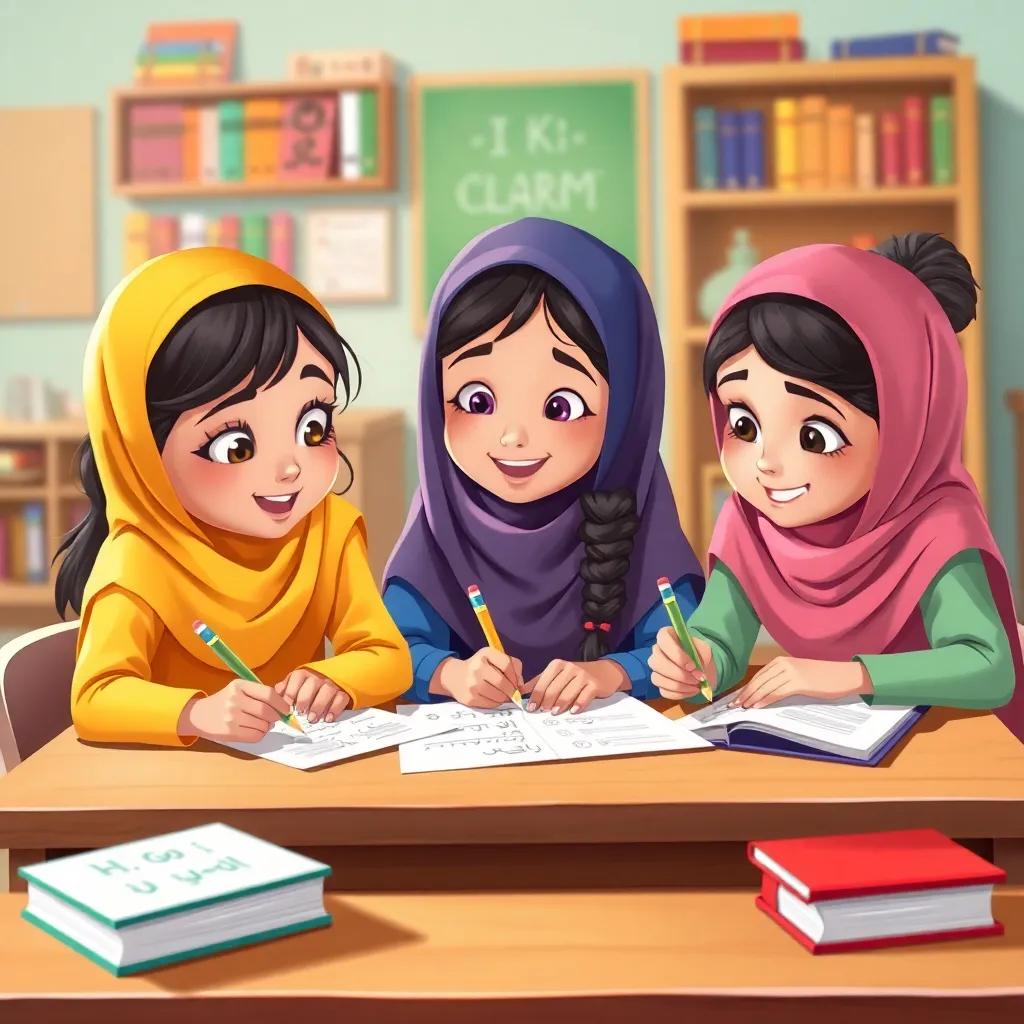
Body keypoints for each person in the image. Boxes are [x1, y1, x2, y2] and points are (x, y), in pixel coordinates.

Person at [650, 233, 1023, 740]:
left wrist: (853, 675)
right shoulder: (750, 520)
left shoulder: (937, 524)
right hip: (830, 748)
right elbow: (722, 640)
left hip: (947, 744)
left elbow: (988, 666)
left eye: (814, 435)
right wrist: (697, 663)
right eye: (743, 425)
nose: (767, 463)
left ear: (907, 420)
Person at [58, 247, 411, 747]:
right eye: (235, 446)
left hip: (299, 772)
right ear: (139, 445)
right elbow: (94, 698)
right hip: (180, 789)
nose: (289, 468)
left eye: (313, 427)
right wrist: (195, 714)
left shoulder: (328, 528)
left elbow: (387, 654)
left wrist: (338, 678)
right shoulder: (139, 558)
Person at [384, 217, 704, 715]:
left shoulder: (633, 497)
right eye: (477, 400)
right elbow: (389, 648)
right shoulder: (441, 509)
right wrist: (451, 674)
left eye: (560, 406)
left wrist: (613, 673)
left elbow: (683, 652)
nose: (512, 438)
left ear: (622, 410)